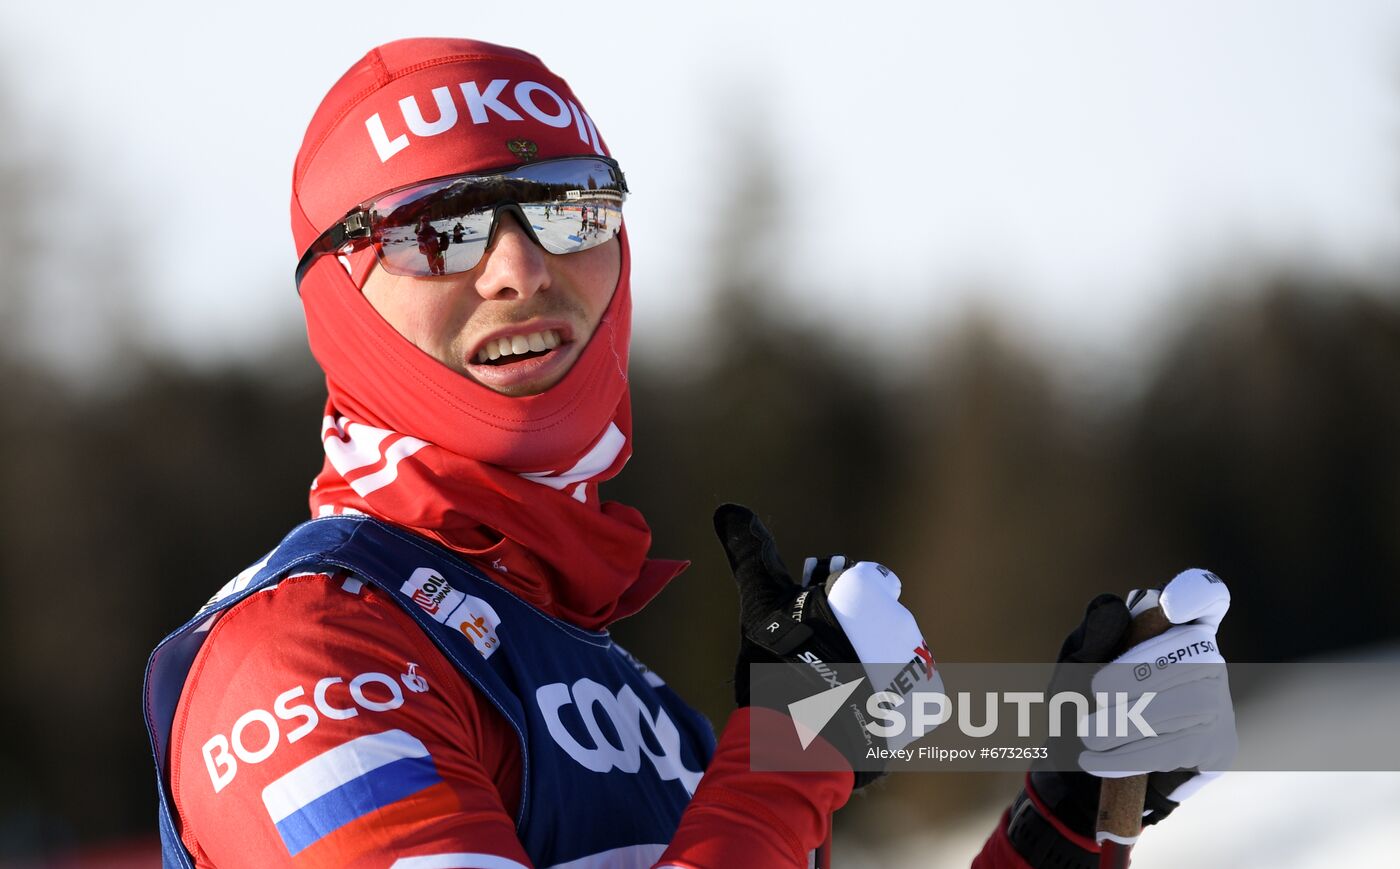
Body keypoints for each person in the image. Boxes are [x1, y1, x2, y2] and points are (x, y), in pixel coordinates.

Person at [142, 38, 1234, 869]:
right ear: (338, 297)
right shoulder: (300, 658)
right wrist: (786, 762)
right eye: (440, 231)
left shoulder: (638, 705)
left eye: (568, 209)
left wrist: (1064, 818)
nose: (521, 267)